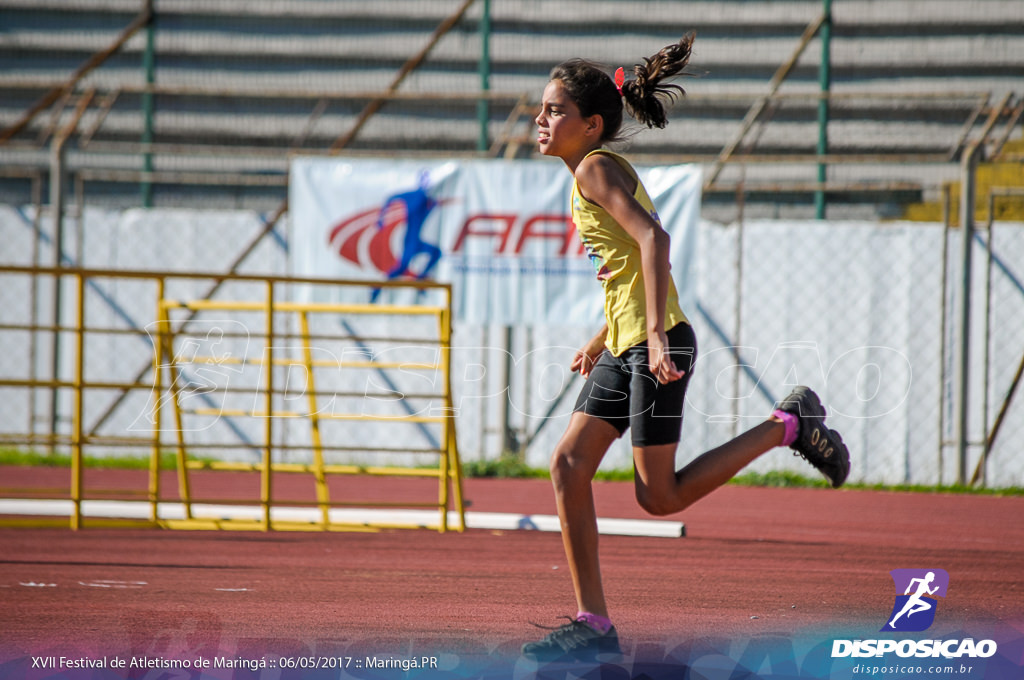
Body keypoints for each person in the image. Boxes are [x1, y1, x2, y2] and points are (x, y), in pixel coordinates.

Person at [521, 35, 851, 663]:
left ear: (591, 124)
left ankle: (789, 424)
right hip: (627, 345)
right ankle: (594, 624)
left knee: (659, 497)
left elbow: (654, 240)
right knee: (568, 467)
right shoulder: (587, 174)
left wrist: (648, 337)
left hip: (656, 344)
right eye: (541, 108)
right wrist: (605, 337)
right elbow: (626, 267)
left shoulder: (593, 168)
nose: (541, 119)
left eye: (554, 110)